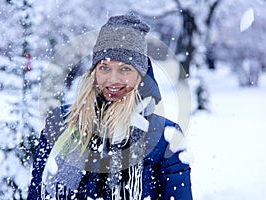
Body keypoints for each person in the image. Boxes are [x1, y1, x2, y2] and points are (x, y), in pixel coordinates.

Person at [27, 14, 193, 200]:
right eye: (104, 67)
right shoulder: (61, 122)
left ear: (141, 75)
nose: (113, 80)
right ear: (94, 71)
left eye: (125, 69)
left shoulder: (165, 136)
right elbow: (37, 193)